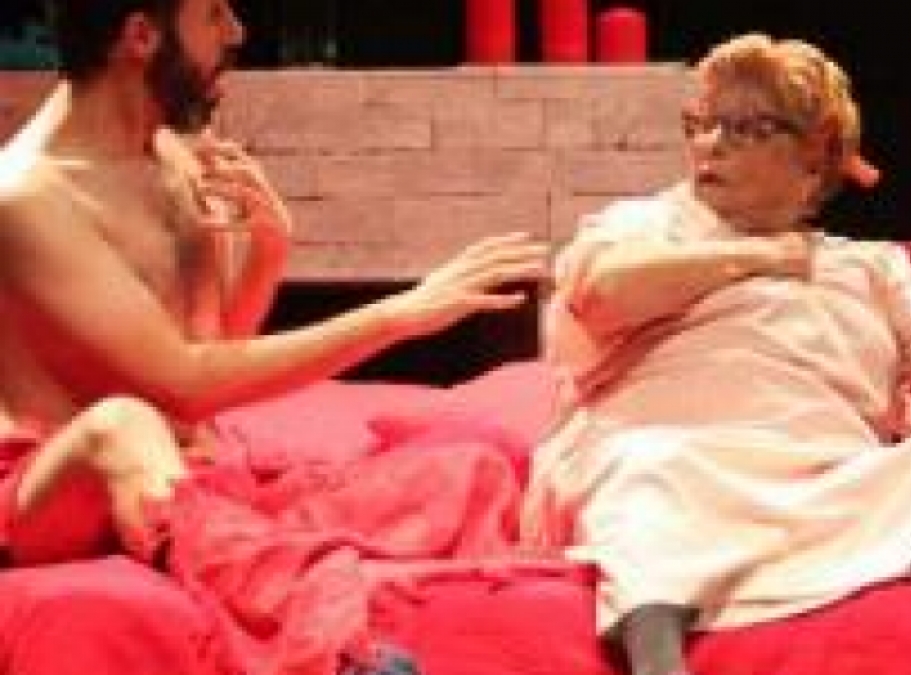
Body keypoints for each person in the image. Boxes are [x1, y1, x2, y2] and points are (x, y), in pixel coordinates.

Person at [0, 0, 546, 672]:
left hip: (193, 480)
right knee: (122, 424)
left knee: (473, 471)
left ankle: (240, 550)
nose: (237, 32)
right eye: (214, 14)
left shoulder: (172, 159)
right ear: (140, 36)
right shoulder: (26, 200)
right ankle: (339, 655)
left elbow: (214, 357)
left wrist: (268, 252)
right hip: (58, 487)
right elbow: (181, 381)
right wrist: (397, 316)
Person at [520, 32, 911, 675]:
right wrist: (759, 257)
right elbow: (602, 294)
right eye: (700, 124)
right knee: (649, 471)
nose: (710, 144)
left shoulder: (870, 268)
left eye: (745, 128)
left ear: (815, 158)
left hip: (831, 481)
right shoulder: (645, 227)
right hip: (684, 467)